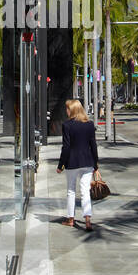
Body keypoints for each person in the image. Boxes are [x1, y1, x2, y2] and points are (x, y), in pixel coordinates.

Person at [57, 98, 100, 231]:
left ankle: (71, 219)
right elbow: (93, 145)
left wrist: (60, 165)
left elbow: (66, 147)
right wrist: (96, 164)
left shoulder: (67, 125)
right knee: (85, 190)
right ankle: (87, 219)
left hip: (72, 162)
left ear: (73, 110)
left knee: (71, 190)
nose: (66, 111)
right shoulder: (89, 124)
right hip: (87, 162)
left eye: (67, 108)